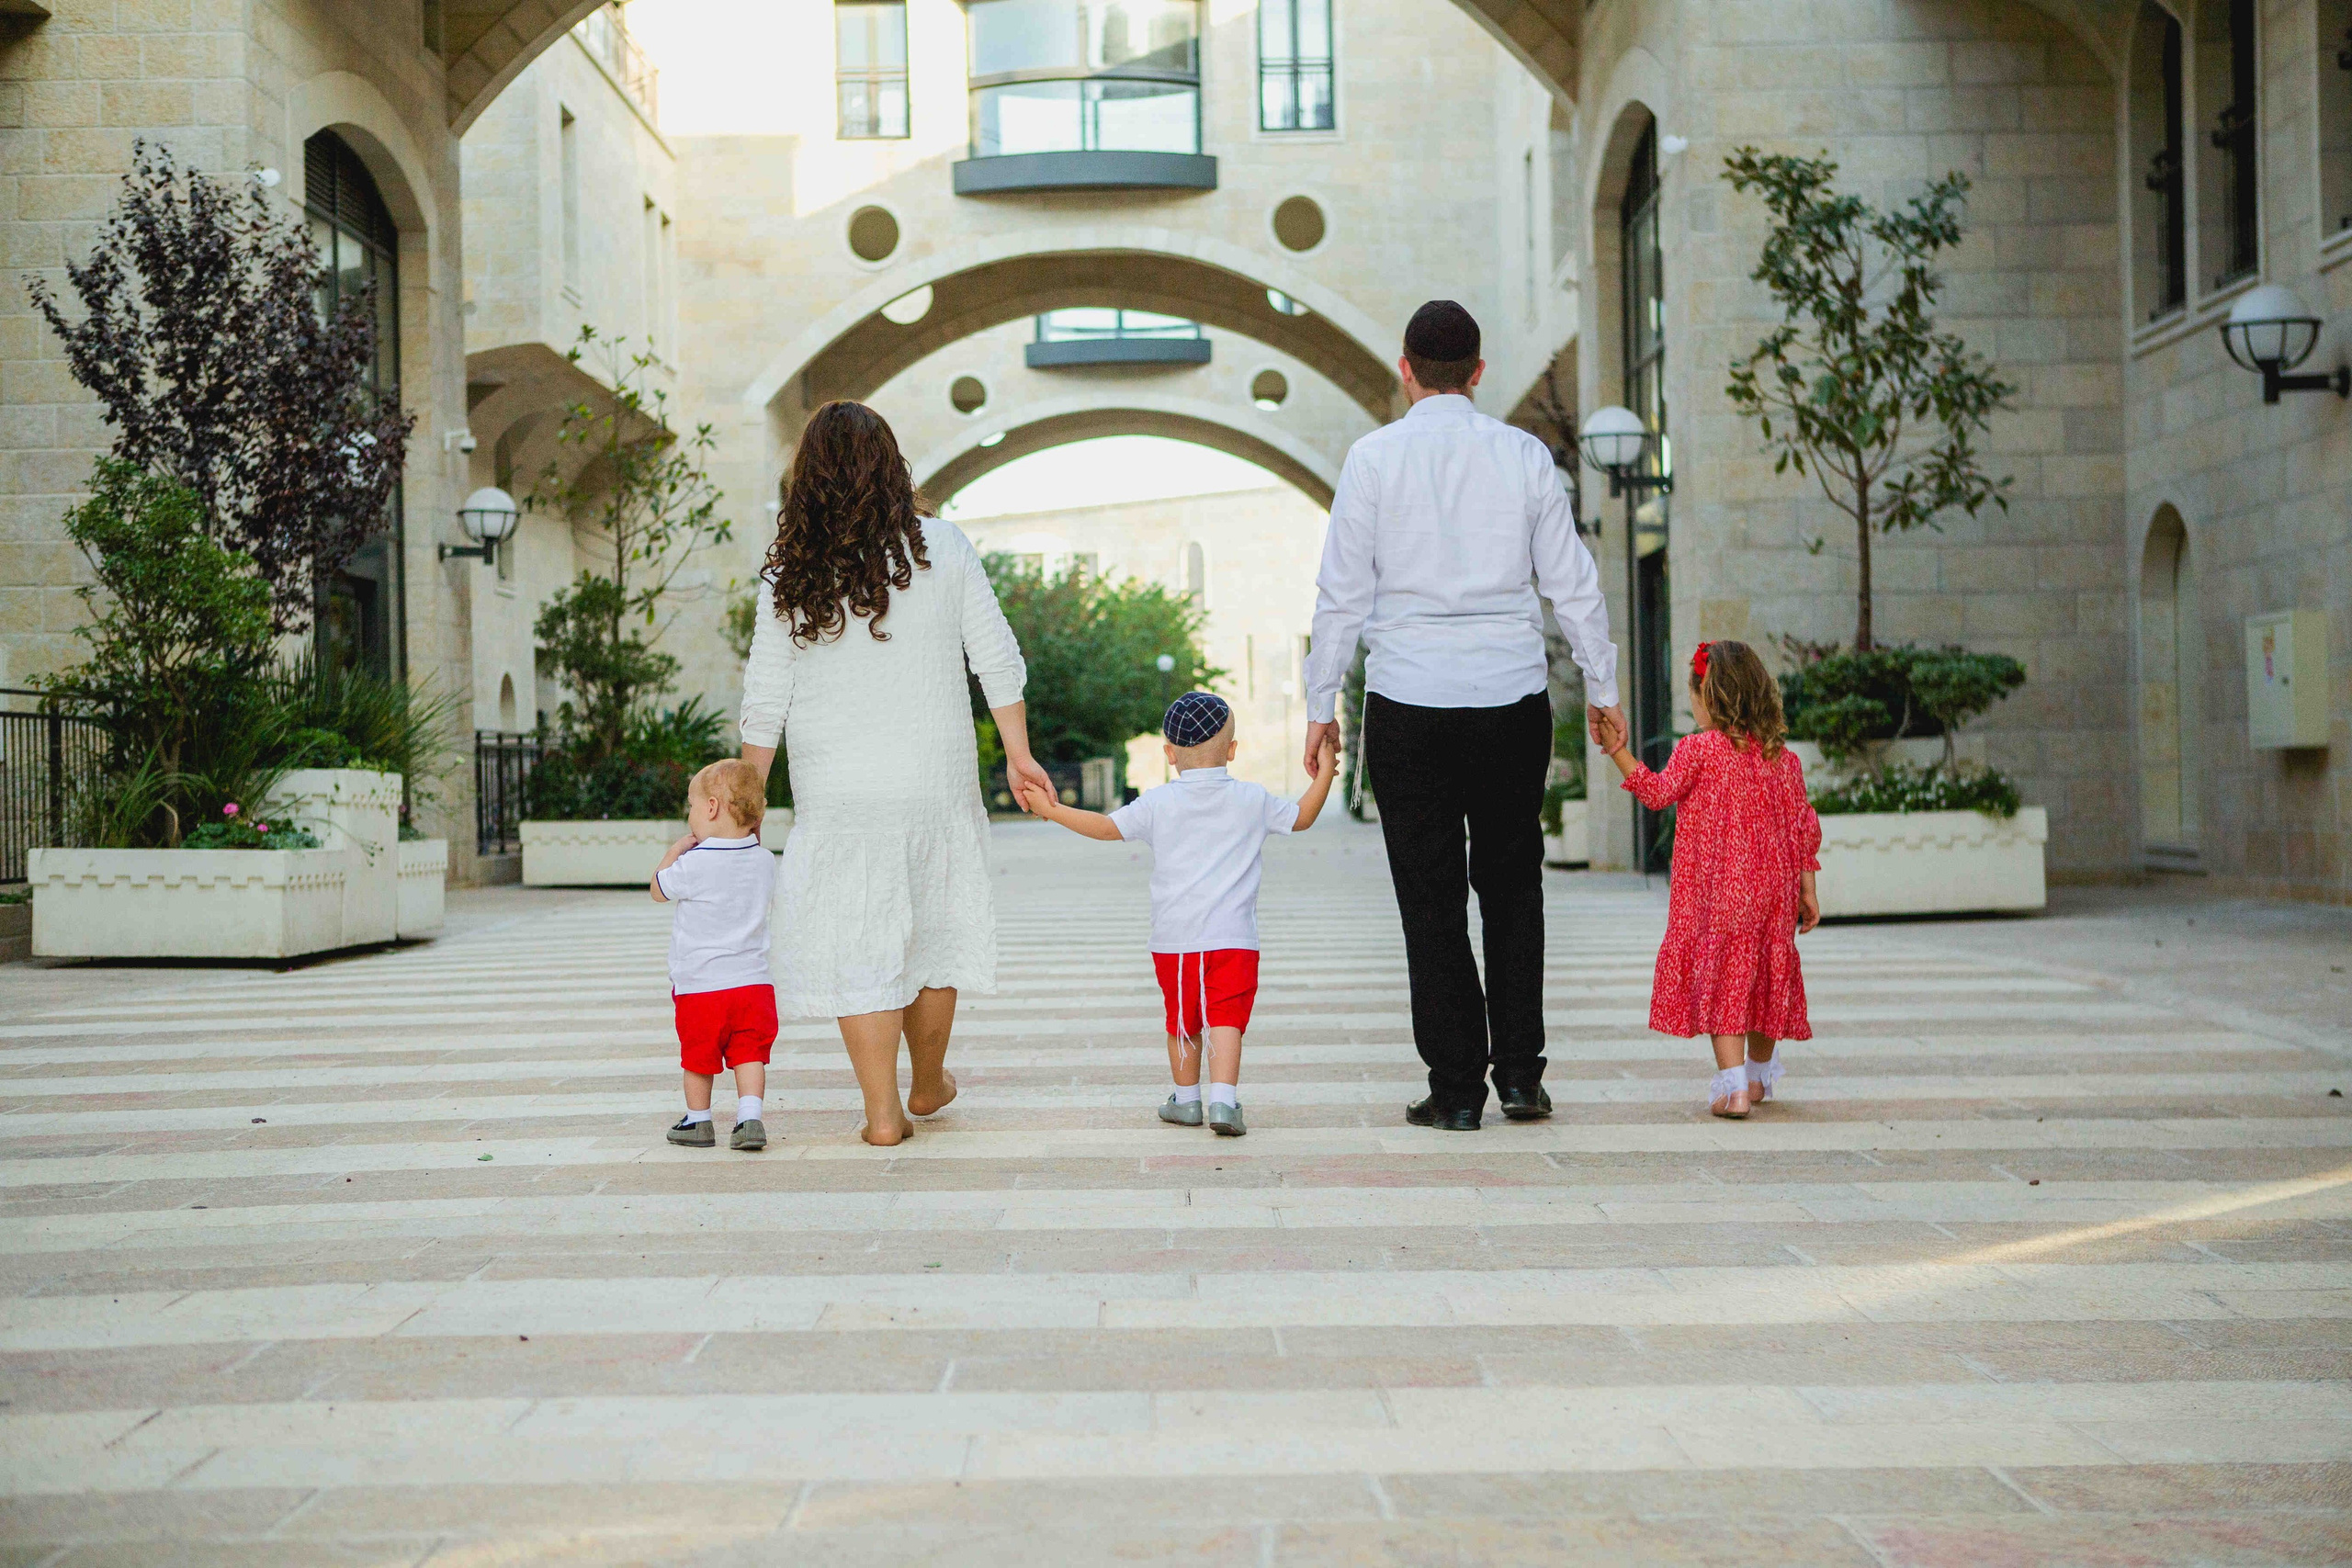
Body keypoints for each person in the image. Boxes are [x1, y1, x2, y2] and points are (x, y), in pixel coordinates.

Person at [1302, 299, 1622, 1132]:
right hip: (1510, 696)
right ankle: (1519, 1075)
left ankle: (1454, 1090)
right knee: (1514, 886)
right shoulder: (1524, 456)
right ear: (1478, 372)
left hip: (1408, 702)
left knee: (1430, 898)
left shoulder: (1372, 459)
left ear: (1405, 370)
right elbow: (1572, 582)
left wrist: (1319, 704)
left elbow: (1341, 594)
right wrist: (1604, 689)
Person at [738, 400, 1053, 1146]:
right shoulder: (942, 545)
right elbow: (996, 657)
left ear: (809, 475)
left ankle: (883, 1114)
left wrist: (747, 797)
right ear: (891, 464)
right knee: (933, 924)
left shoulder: (791, 569)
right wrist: (1019, 754)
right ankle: (928, 1081)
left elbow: (765, 695)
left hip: (837, 790)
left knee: (860, 936)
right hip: (933, 778)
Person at [1017, 692, 1340, 1137]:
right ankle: (1224, 1102)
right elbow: (1302, 816)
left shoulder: (1158, 803)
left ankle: (1186, 1102)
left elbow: (1106, 828)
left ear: (1170, 754)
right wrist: (1325, 771)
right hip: (1235, 939)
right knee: (1226, 1018)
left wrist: (1051, 810)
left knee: (1183, 1021)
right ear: (1231, 750)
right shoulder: (1252, 798)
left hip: (1176, 940)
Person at [1594, 640, 1821, 1117]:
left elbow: (1657, 792)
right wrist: (1808, 891)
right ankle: (1757, 1080)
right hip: (1774, 894)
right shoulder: (1784, 759)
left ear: (1709, 698)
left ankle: (1733, 1089)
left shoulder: (1699, 750)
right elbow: (1803, 828)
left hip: (1720, 894)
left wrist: (1618, 751)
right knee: (1764, 976)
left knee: (1726, 982)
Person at [650, 758, 778, 1152]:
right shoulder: (764, 860)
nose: (689, 816)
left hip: (701, 986)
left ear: (711, 808)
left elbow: (658, 889)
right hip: (753, 985)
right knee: (749, 1053)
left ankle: (698, 1121)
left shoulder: (694, 862)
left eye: (691, 806)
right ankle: (750, 1118)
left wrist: (676, 850)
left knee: (698, 1057)